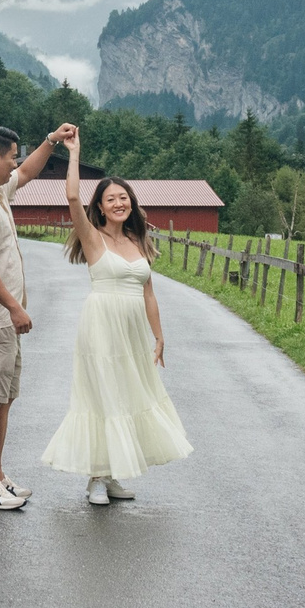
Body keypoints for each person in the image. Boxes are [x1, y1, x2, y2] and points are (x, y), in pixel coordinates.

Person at [39, 129, 192, 505]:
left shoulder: (139, 242)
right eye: (111, 199)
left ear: (131, 203)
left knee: (125, 395)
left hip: (132, 333)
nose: (119, 203)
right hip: (101, 327)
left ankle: (110, 475)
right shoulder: (93, 239)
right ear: (102, 208)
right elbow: (73, 195)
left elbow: (148, 292)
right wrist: (73, 152)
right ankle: (95, 477)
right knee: (101, 396)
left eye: (124, 197)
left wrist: (159, 337)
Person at [0, 120, 76, 511]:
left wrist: (51, 142)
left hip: (1, 321)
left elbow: (26, 174)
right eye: (10, 157)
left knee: (3, 398)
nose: (15, 164)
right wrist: (14, 306)